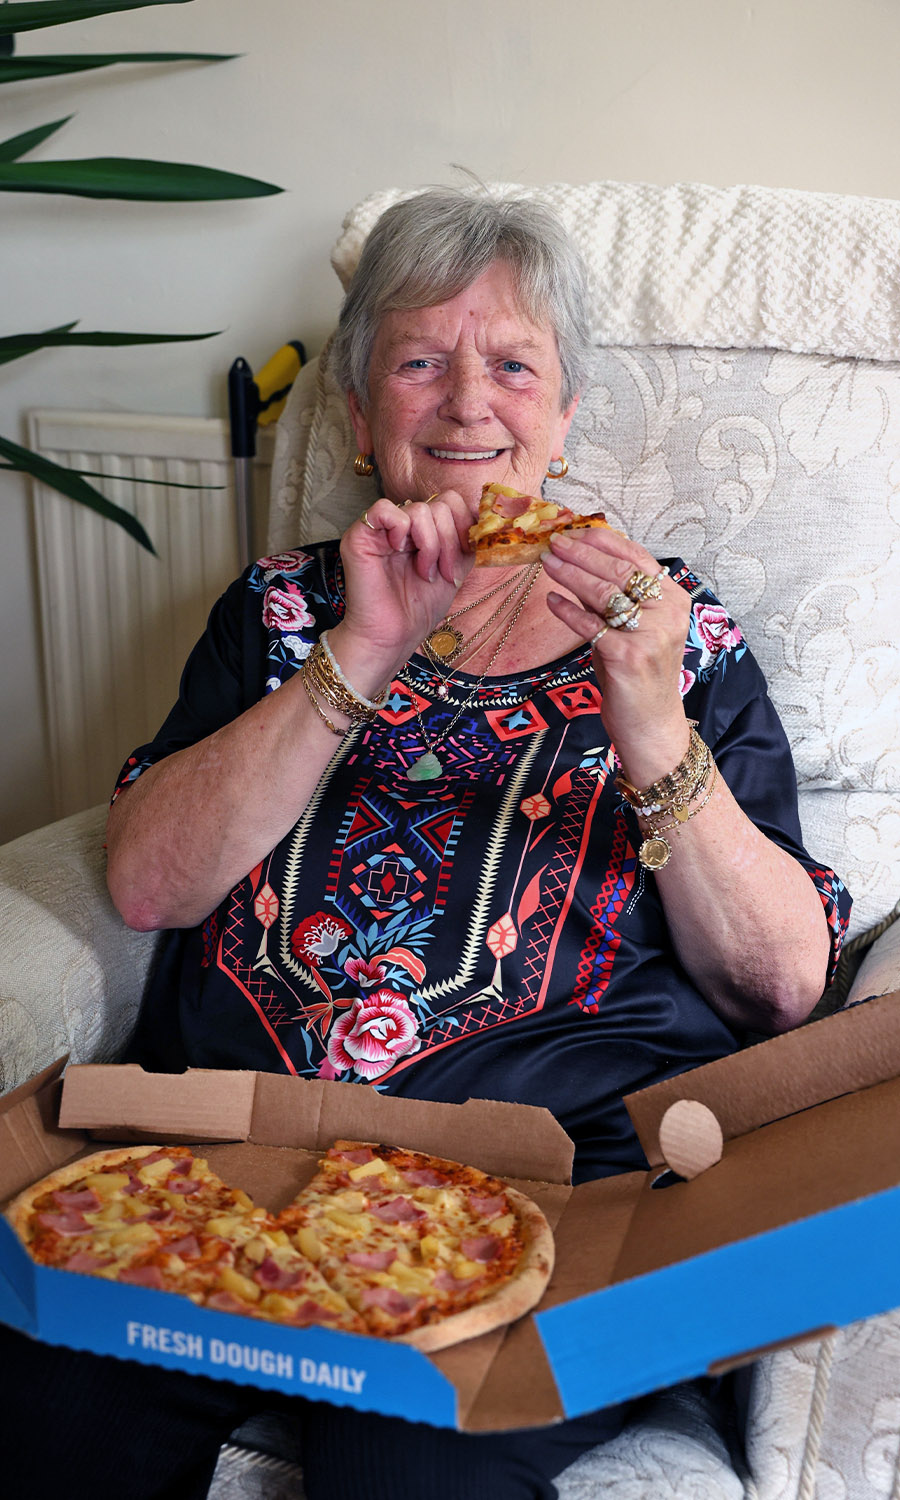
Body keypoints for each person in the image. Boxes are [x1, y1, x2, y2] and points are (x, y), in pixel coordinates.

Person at [2, 187, 850, 1500]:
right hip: (240, 1168)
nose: (467, 402)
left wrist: (650, 721)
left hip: (556, 1198)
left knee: (403, 1466)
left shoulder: (676, 630)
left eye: (513, 365)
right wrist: (362, 652)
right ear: (360, 416)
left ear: (562, 419)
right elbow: (147, 881)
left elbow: (785, 983)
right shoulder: (284, 610)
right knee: (42, 1406)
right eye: (418, 361)